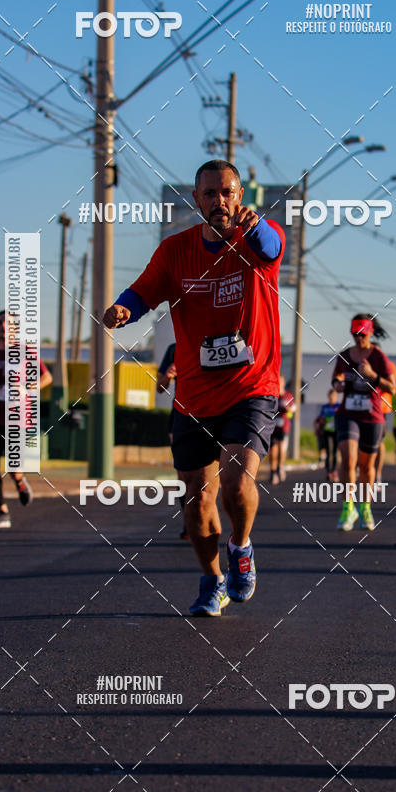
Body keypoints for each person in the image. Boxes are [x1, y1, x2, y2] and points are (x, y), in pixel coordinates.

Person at [103, 160, 285, 617]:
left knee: (236, 480)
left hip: (251, 385)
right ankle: (211, 580)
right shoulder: (175, 251)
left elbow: (272, 244)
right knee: (194, 498)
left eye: (227, 192)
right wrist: (125, 309)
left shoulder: (256, 238)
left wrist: (257, 223)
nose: (219, 201)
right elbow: (144, 290)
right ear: (197, 199)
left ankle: (240, 547)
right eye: (209, 193)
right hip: (195, 395)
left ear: (240, 196)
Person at [0, 310, 52, 529]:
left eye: (8, 323)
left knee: (14, 468)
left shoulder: (26, 352)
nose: (3, 326)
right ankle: (2, 511)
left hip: (17, 417)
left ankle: (20, 482)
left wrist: (32, 386)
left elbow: (46, 377)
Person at [332, 314, 395, 531]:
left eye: (363, 334)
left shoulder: (378, 356)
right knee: (349, 460)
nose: (359, 338)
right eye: (355, 334)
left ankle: (365, 506)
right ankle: (348, 507)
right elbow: (336, 379)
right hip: (347, 414)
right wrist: (338, 385)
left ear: (370, 333)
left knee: (366, 467)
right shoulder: (344, 356)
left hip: (372, 416)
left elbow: (392, 387)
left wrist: (371, 375)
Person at [156, 341, 187, 539]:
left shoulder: (214, 337)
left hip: (214, 414)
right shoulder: (174, 348)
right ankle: (189, 521)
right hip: (180, 415)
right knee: (184, 474)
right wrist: (167, 376)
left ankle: (204, 517)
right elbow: (159, 387)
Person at [371, 344, 396, 484]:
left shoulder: (389, 365)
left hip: (381, 408)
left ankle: (378, 473)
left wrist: (382, 382)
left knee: (378, 442)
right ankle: (364, 469)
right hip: (365, 407)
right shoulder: (363, 364)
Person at [269, 376, 295, 484]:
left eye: (281, 381)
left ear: (284, 383)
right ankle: (273, 472)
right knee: (273, 450)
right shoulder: (272, 395)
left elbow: (293, 410)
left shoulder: (288, 396)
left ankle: (280, 468)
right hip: (272, 426)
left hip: (284, 426)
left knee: (281, 449)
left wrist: (288, 409)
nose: (279, 383)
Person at [314, 388, 340, 481]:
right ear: (328, 396)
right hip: (327, 431)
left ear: (336, 397)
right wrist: (318, 428)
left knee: (335, 452)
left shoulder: (339, 406)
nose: (332, 397)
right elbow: (320, 418)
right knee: (328, 452)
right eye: (330, 396)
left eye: (333, 396)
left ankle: (334, 471)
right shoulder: (324, 407)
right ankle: (328, 471)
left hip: (336, 432)